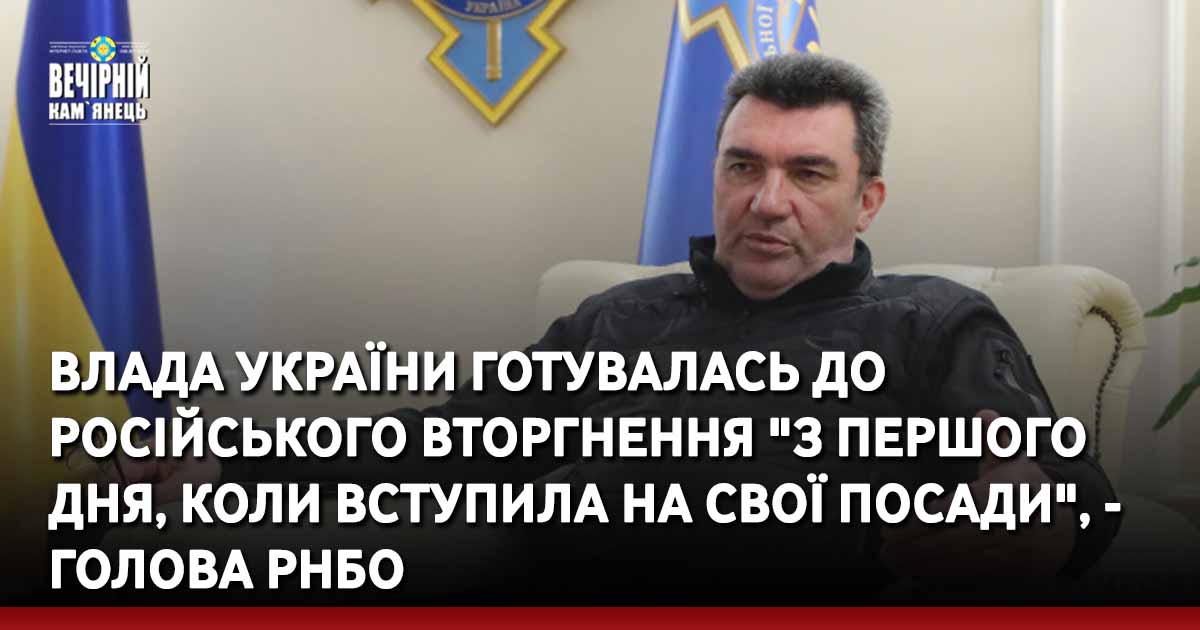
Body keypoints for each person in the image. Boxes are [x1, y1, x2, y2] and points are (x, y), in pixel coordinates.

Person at [121, 54, 1119, 602]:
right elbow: (447, 442)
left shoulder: (932, 319)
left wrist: (1030, 514)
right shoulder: (618, 318)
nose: (767, 201)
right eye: (743, 166)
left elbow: (1057, 485)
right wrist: (230, 464)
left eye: (809, 173)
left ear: (868, 201)